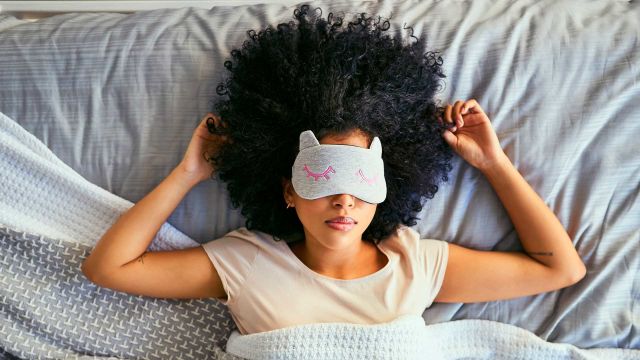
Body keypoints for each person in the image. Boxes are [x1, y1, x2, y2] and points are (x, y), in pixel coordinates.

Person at [81, 5, 585, 336]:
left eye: (361, 182)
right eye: (324, 178)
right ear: (288, 192)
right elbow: (108, 268)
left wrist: (492, 164)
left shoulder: (419, 265)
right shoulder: (246, 262)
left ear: (387, 190)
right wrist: (189, 172)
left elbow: (561, 268)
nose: (344, 201)